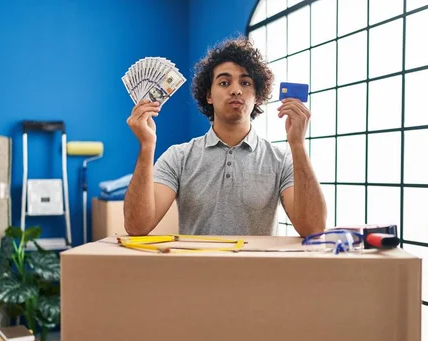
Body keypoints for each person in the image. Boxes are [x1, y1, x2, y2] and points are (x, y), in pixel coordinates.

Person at [123, 36, 327, 237]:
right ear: (209, 96)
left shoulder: (281, 160)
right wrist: (147, 146)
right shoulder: (178, 157)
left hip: (260, 271)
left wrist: (298, 145)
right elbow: (137, 227)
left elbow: (313, 228)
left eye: (246, 83)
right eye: (224, 83)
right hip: (195, 270)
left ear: (257, 97)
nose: (236, 90)